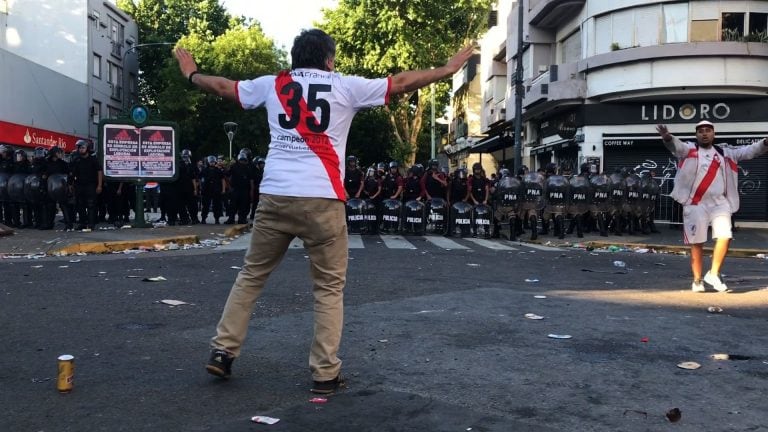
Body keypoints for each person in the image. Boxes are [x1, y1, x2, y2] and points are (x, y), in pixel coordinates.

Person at [174, 28, 474, 393]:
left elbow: (223, 87)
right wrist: (445, 69)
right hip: (323, 197)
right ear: (329, 59)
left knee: (251, 276)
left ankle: (223, 351)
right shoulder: (345, 86)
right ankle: (325, 373)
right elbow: (402, 82)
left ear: (294, 59)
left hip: (276, 195)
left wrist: (191, 73)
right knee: (329, 288)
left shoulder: (272, 84)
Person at [656, 121, 768, 292]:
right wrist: (667, 138)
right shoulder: (689, 150)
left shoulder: (726, 153)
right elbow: (676, 147)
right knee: (697, 243)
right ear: (696, 135)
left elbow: (749, 151)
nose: (704, 134)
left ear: (713, 134)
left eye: (708, 131)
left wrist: (765, 142)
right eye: (701, 131)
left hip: (720, 203)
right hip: (695, 203)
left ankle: (713, 274)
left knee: (725, 236)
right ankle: (697, 280)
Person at [69, 140, 103, 231]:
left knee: (91, 204)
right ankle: (82, 223)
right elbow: (72, 173)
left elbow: (99, 171)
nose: (81, 150)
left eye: (83, 148)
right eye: (79, 148)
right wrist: (71, 184)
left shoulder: (93, 159)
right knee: (80, 205)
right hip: (79, 185)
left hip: (91, 185)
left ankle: (91, 224)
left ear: (87, 148)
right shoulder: (76, 160)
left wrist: (99, 185)